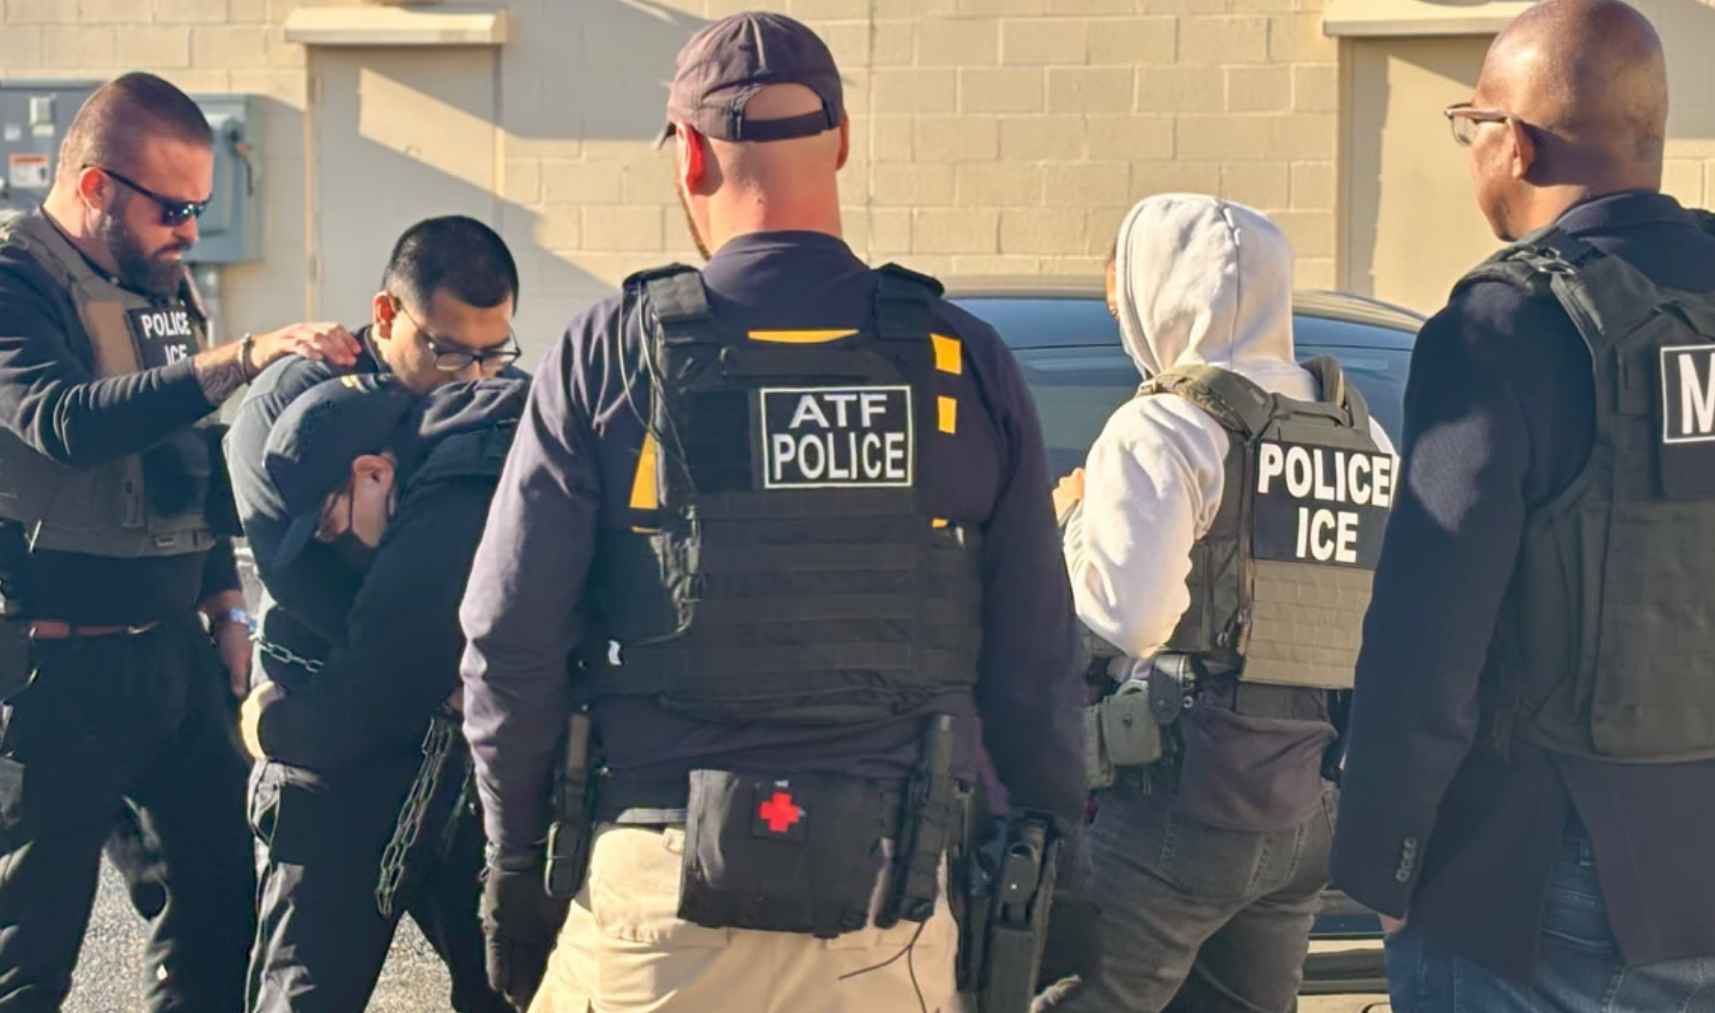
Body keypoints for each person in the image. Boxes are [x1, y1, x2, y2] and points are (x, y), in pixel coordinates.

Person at [458, 11, 1089, 1012]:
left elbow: (507, 639)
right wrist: (1049, 857)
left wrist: (514, 864)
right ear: (841, 141)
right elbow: (1036, 660)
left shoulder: (607, 355)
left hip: (654, 902)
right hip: (888, 907)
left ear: (691, 157)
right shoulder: (959, 362)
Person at [1330, 2, 1715, 1010]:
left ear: (1518, 142)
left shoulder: (1503, 327)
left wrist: (1384, 862)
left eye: (1472, 125)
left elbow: (1426, 637)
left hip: (1543, 897)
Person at [0, 71, 360, 1011]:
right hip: (49, 674)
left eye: (199, 207)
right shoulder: (15, 284)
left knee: (216, 916)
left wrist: (223, 598)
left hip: (172, 659)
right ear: (93, 188)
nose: (191, 230)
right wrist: (238, 357)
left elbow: (178, 456)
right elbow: (63, 422)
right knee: (27, 953)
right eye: (172, 207)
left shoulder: (160, 289)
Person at [1037, 195, 1396, 1013]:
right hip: (1306, 809)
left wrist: (1070, 522)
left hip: (1177, 807)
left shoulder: (1163, 427)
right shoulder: (1362, 437)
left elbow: (1120, 622)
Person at [229, 373, 524, 1012]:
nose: (330, 541)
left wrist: (265, 727)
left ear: (372, 474)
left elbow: (369, 698)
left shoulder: (447, 511)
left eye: (329, 518)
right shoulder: (478, 449)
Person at [225, 215, 523, 651]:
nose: (475, 378)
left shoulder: (504, 390)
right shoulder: (292, 400)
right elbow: (296, 579)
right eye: (450, 353)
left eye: (494, 353)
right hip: (316, 670)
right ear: (386, 314)